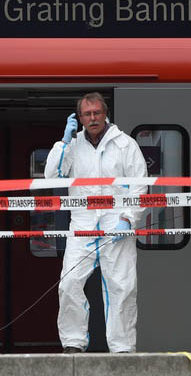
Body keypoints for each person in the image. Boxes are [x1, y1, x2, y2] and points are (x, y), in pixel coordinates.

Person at [44, 93, 147, 354]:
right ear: (79, 118)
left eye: (96, 113)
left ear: (106, 114)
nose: (92, 118)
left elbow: (139, 186)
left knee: (121, 287)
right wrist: (64, 143)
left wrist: (128, 219)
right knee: (69, 283)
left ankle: (123, 348)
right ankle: (73, 343)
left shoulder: (125, 145)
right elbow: (52, 176)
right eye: (87, 114)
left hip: (117, 223)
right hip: (82, 223)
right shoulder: (73, 145)